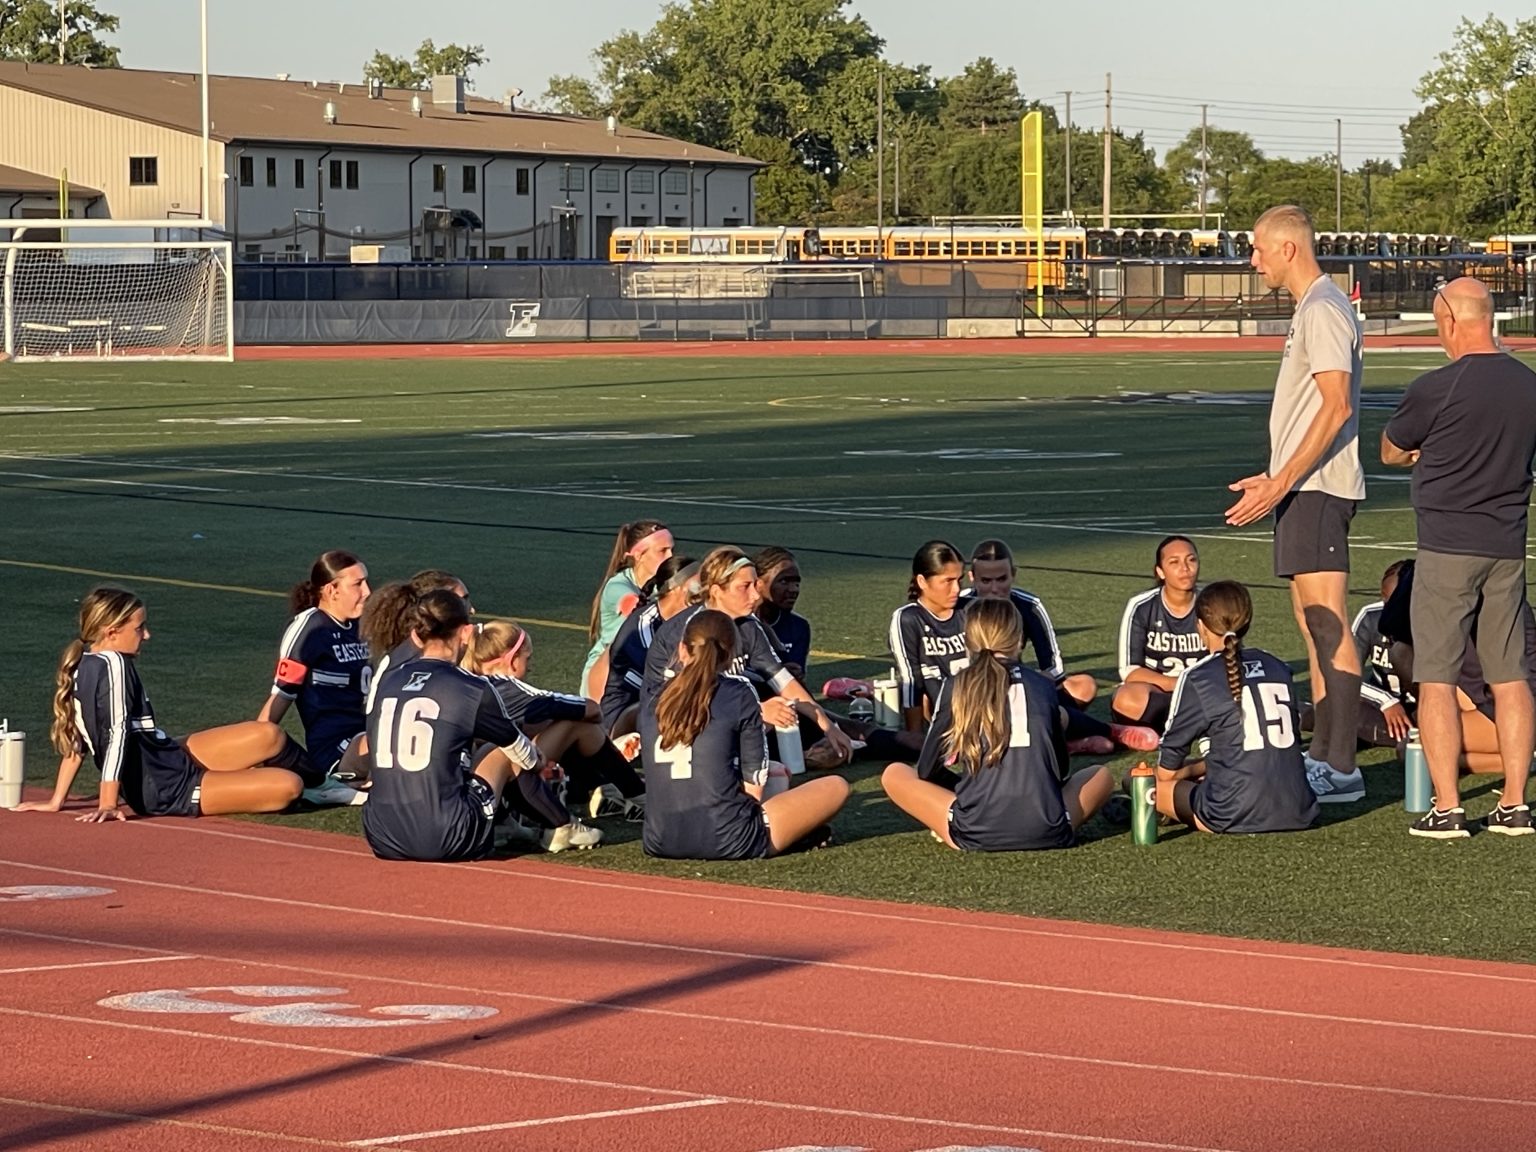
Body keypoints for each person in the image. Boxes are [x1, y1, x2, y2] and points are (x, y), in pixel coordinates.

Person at [1382, 276, 1536, 837]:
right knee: (1510, 676)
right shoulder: (1527, 383)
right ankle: (1515, 803)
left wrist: (1426, 453)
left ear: (1449, 319)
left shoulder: (1437, 385)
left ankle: (1447, 806)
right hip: (1507, 546)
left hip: (1447, 546)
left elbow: (1392, 448)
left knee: (1438, 678)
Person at [1227, 204, 1366, 804]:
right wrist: (1277, 475)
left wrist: (1282, 481)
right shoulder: (1312, 308)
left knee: (1329, 623)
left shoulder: (1325, 307)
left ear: (1288, 248)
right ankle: (1323, 758)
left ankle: (1341, 765)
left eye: (1258, 249)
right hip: (1301, 487)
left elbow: (1336, 407)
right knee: (1314, 628)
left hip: (1317, 488)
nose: (1252, 260)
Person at [17, 586, 305, 822]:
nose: (147, 635)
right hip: (163, 785)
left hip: (167, 757)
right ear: (112, 631)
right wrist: (107, 801)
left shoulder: (84, 662)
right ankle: (314, 782)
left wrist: (57, 800)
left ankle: (327, 781)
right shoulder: (115, 663)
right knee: (289, 786)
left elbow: (78, 743)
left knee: (268, 734)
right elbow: (116, 734)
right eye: (139, 628)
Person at [363, 589, 589, 862]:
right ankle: (564, 826)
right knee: (499, 749)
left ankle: (509, 825)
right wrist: (539, 760)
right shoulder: (471, 687)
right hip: (447, 836)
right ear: (466, 633)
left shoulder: (389, 681)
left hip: (381, 836)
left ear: (417, 633)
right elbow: (520, 752)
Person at [881, 597, 1113, 852]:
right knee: (1101, 775)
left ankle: (961, 813)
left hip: (975, 831)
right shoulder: (1043, 685)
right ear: (1019, 639)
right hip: (1048, 830)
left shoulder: (956, 685)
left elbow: (927, 769)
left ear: (968, 640)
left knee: (895, 773)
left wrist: (964, 788)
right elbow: (1058, 771)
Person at [640, 609, 849, 860]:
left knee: (774, 772)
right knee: (834, 786)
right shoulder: (738, 693)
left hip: (659, 838)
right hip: (729, 839)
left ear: (682, 650)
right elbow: (755, 782)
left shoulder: (653, 699)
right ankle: (785, 838)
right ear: (730, 657)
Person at [643, 547, 853, 767]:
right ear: (716, 591)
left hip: (722, 715)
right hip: (676, 726)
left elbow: (782, 680)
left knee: (801, 717)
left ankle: (827, 747)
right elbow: (685, 700)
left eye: (755, 585)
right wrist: (759, 711)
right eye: (745, 587)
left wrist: (828, 727)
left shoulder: (748, 626)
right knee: (773, 742)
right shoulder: (690, 630)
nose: (755, 595)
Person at [961, 538, 1158, 753]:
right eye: (986, 581)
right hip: (971, 691)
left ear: (1013, 574)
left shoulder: (1029, 605)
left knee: (1084, 686)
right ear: (972, 577)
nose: (994, 588)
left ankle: (1068, 741)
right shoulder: (959, 606)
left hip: (1020, 687)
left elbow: (1053, 669)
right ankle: (1099, 733)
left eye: (1001, 579)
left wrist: (1025, 684)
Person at [1156, 581, 1320, 832]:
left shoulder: (1198, 677)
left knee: (1143, 783)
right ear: (1247, 622)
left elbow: (1167, 770)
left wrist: (1193, 769)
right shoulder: (1278, 666)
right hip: (1299, 809)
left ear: (1200, 626)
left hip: (1232, 813)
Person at [464, 619, 645, 823]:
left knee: (540, 729)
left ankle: (602, 790)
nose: (529, 667)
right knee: (579, 725)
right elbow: (591, 710)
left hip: (459, 786)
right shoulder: (507, 687)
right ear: (513, 660)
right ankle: (632, 794)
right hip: (488, 787)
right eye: (527, 659)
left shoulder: (465, 681)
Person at [258, 550, 372, 809]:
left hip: (369, 734)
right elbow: (283, 693)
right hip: (338, 750)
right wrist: (257, 743)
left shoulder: (363, 625)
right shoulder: (310, 630)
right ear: (332, 590)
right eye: (357, 584)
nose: (367, 591)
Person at [1111, 536, 1205, 731]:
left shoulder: (1212, 602)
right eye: (1174, 562)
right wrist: (1179, 684)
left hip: (1203, 691)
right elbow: (1129, 670)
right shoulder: (1141, 606)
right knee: (1125, 699)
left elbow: (1228, 658)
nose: (1185, 568)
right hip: (1161, 691)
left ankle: (1176, 724)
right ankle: (1190, 722)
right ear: (1160, 571)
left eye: (1191, 560)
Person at [599, 555, 697, 738]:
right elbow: (663, 674)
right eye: (697, 586)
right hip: (624, 714)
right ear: (676, 588)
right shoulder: (643, 625)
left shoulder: (687, 620)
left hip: (656, 705)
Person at [581, 520, 674, 701]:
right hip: (608, 674)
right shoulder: (618, 585)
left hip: (638, 670)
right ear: (639, 555)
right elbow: (632, 606)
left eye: (672, 550)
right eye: (662, 551)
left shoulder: (658, 587)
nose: (670, 557)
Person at [889, 540, 968, 733]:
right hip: (943, 714)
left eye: (959, 579)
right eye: (948, 581)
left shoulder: (972, 609)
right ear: (922, 581)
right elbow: (911, 681)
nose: (957, 589)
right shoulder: (907, 619)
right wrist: (914, 738)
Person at [752, 546, 811, 680]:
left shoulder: (799, 627)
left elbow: (795, 675)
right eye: (783, 581)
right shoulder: (736, 625)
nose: (794, 589)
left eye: (796, 582)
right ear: (758, 582)